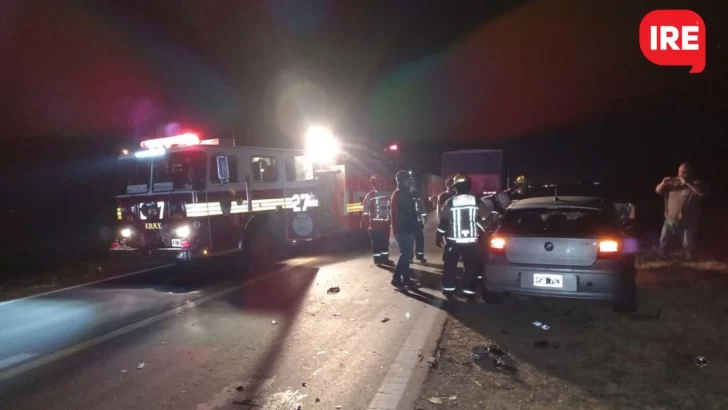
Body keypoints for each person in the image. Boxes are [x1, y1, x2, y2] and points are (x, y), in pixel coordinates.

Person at [436, 174, 491, 300]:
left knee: (450, 265)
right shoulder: (476, 200)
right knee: (471, 266)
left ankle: (449, 290)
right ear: (468, 186)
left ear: (455, 188)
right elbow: (484, 217)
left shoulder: (450, 202)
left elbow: (444, 221)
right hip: (471, 242)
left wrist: (439, 236)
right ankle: (468, 291)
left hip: (453, 241)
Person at [655, 163, 708, 261]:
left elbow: (701, 192)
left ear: (690, 172)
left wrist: (687, 182)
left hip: (689, 221)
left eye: (684, 172)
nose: (681, 174)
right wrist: (663, 183)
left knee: (688, 244)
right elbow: (658, 191)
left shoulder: (697, 183)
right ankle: (662, 258)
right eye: (680, 171)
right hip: (670, 220)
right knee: (664, 241)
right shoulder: (672, 183)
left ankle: (689, 262)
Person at [390, 170, 420, 289]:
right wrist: (413, 225)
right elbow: (404, 213)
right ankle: (396, 278)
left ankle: (406, 280)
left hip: (405, 229)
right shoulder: (400, 194)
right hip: (403, 229)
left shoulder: (404, 193)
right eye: (408, 180)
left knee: (406, 255)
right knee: (406, 254)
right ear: (402, 181)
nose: (410, 182)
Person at [361, 175, 393, 265]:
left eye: (379, 182)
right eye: (375, 183)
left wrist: (393, 221)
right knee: (376, 244)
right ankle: (378, 260)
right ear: (372, 184)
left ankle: (385, 259)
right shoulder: (370, 196)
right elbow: (366, 211)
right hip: (374, 226)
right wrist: (366, 224)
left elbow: (392, 208)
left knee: (385, 243)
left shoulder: (388, 194)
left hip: (385, 225)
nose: (377, 184)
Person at [410, 176, 428, 264]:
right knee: (410, 240)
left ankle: (419, 255)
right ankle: (410, 257)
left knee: (419, 239)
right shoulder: (404, 194)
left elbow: (422, 206)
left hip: (417, 221)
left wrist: (424, 217)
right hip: (409, 221)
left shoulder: (417, 194)